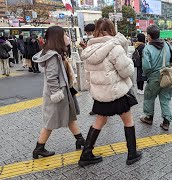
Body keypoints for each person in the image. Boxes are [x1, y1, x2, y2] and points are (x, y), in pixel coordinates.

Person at [79, 18, 142, 167]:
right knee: (128, 121)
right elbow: (126, 71)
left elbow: (88, 75)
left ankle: (86, 153)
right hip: (116, 92)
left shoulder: (88, 50)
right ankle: (132, 154)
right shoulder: (114, 47)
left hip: (100, 94)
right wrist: (130, 61)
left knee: (100, 121)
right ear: (111, 30)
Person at [31, 26, 85, 159]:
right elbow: (51, 78)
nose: (67, 37)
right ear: (57, 38)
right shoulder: (52, 56)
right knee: (50, 122)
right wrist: (57, 94)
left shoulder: (57, 54)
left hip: (63, 92)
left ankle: (80, 140)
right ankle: (39, 148)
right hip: (56, 94)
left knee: (70, 117)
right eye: (65, 35)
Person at [140, 25, 172, 131]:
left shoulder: (147, 48)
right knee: (165, 99)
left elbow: (146, 66)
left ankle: (149, 117)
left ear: (149, 36)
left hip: (154, 77)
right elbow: (171, 58)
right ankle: (166, 121)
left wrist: (148, 74)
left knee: (149, 97)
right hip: (166, 75)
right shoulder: (166, 45)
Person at [80, 23, 96, 116]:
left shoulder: (94, 40)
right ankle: (97, 108)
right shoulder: (92, 40)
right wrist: (85, 48)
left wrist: (85, 48)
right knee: (94, 89)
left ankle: (98, 109)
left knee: (95, 89)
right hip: (91, 68)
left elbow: (92, 54)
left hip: (94, 68)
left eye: (88, 32)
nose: (88, 34)